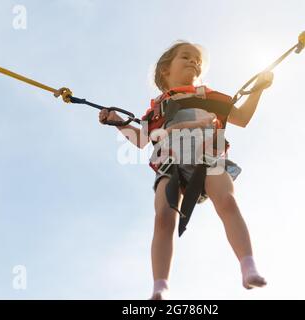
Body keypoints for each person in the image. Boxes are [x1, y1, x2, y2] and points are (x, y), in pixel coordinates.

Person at [98, 41, 274, 300]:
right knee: (163, 218)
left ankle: (248, 266)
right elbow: (141, 140)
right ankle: (160, 285)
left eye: (197, 60)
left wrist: (258, 89)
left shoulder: (209, 97)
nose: (194, 62)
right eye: (186, 57)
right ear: (165, 71)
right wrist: (116, 122)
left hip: (207, 158)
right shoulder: (156, 110)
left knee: (227, 202)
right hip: (172, 162)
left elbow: (242, 118)